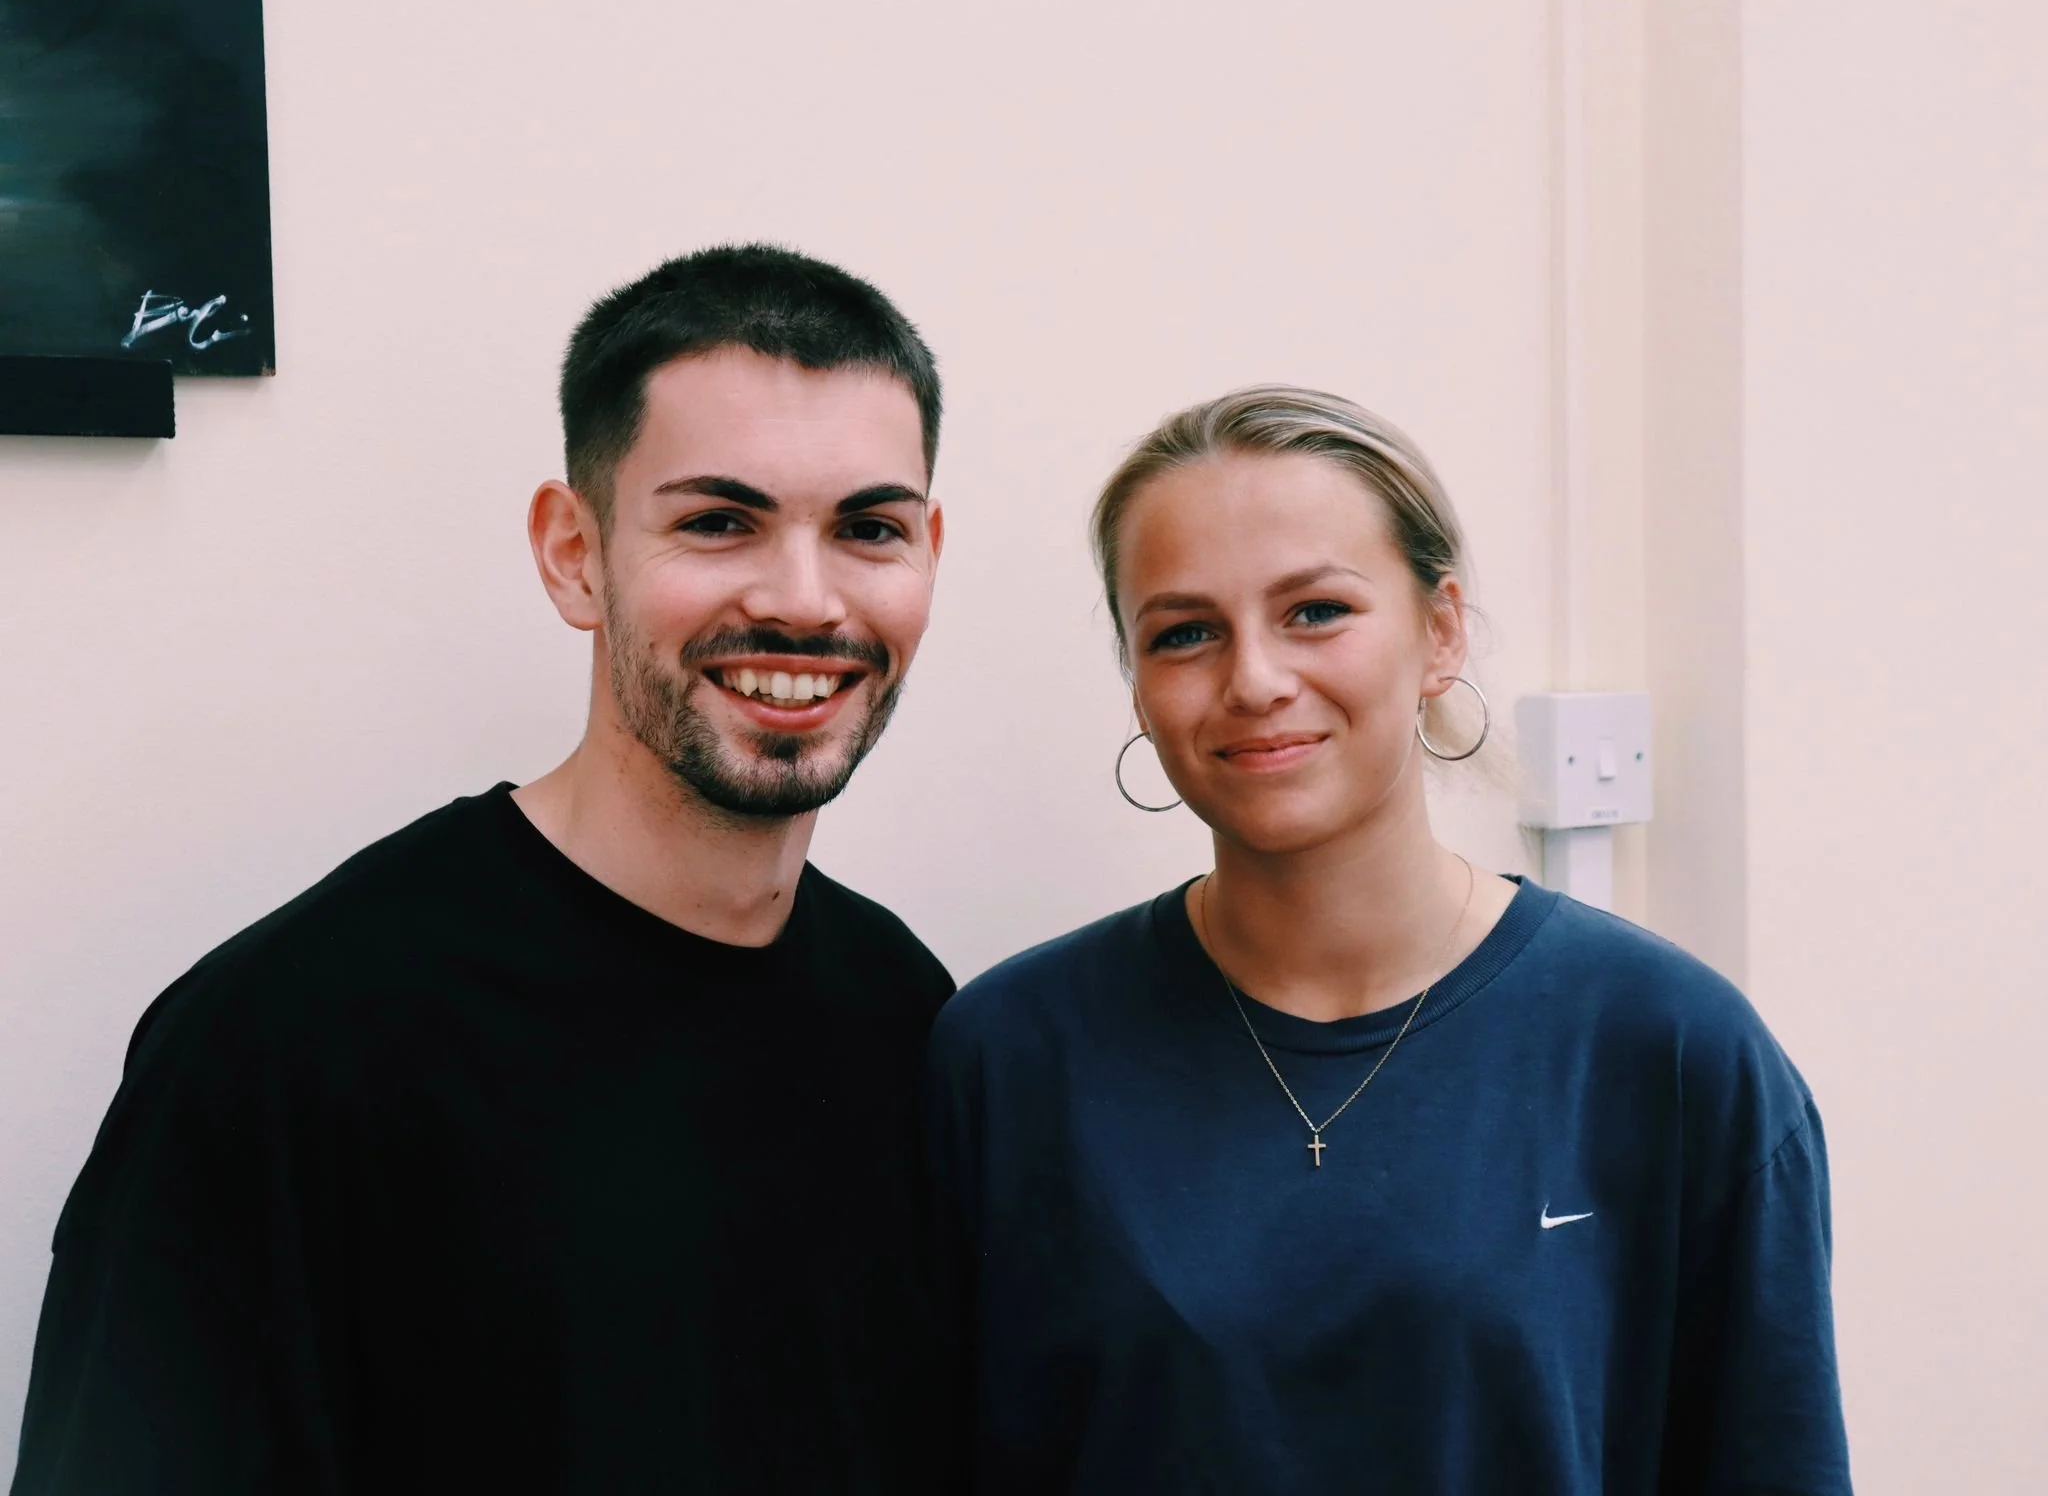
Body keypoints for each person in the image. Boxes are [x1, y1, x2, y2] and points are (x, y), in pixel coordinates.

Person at [13, 244, 963, 1494]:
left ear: (928, 556)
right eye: (719, 521)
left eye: (868, 529)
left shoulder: (913, 1011)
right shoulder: (284, 1043)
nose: (804, 599)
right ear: (573, 553)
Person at [927, 386, 1852, 1494]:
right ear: (1137, 681)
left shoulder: (1667, 1049)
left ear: (1440, 631)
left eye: (1315, 610)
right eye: (1184, 633)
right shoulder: (1013, 1055)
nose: (1255, 680)